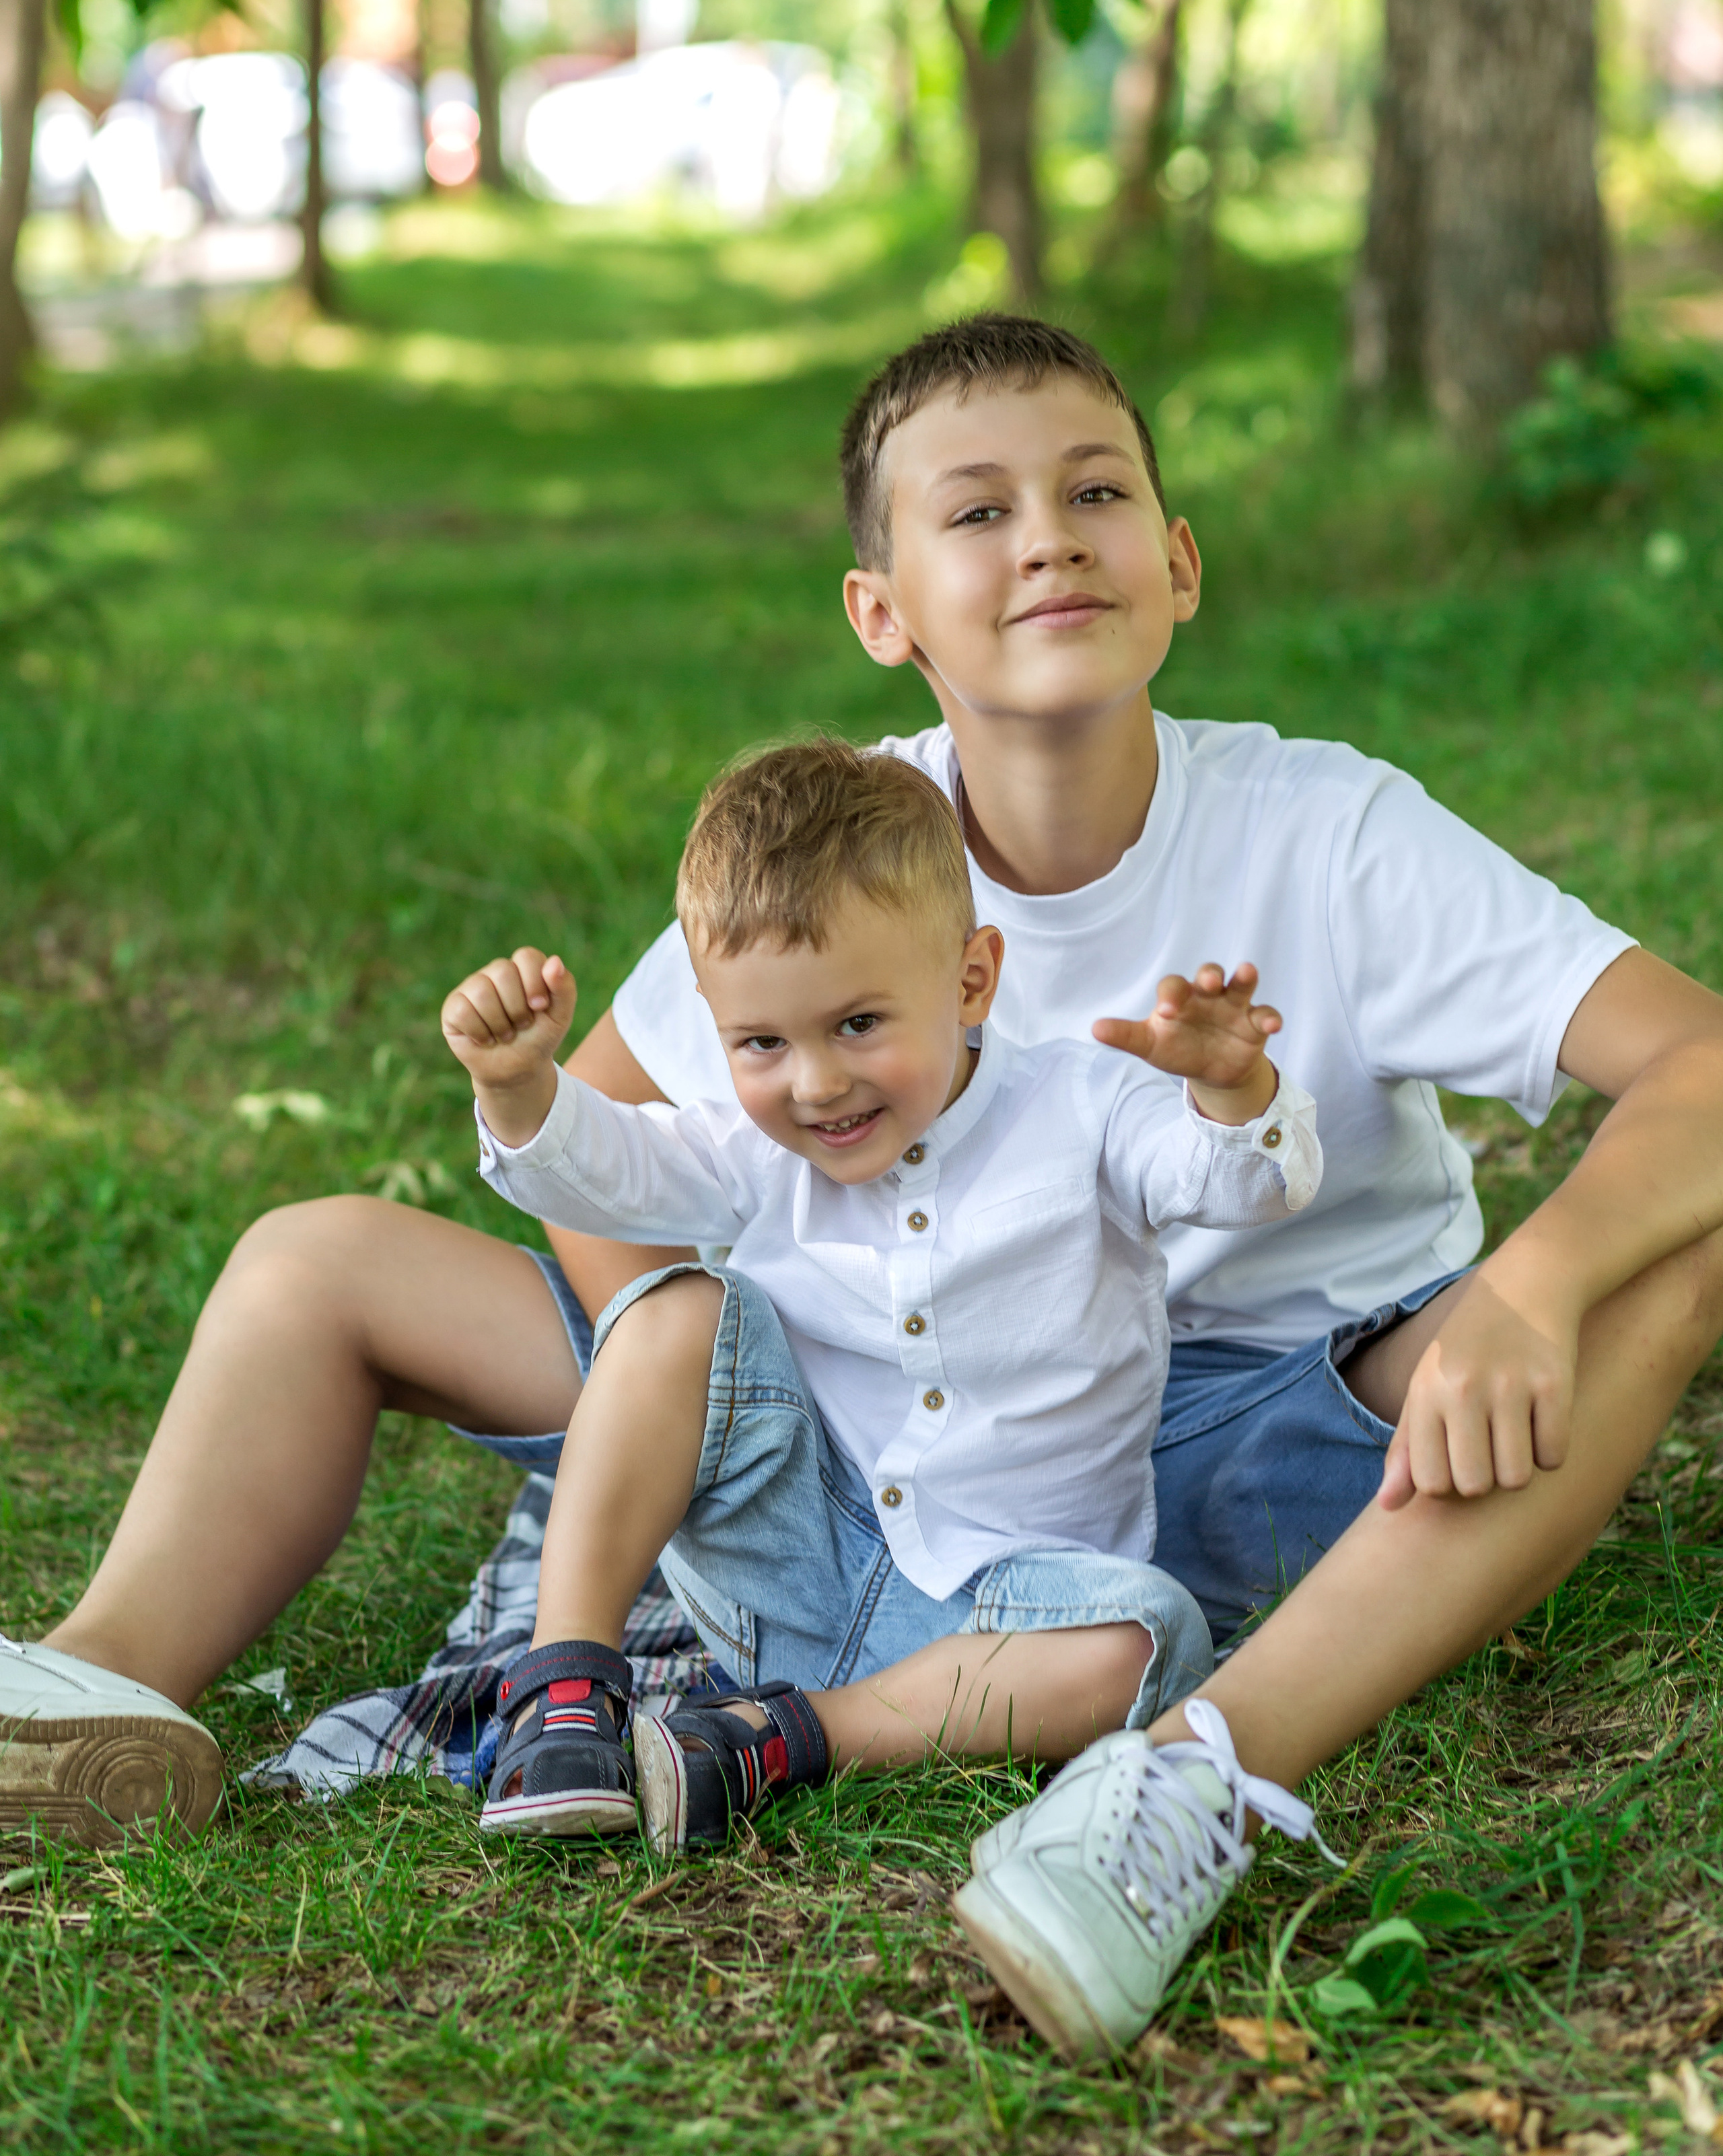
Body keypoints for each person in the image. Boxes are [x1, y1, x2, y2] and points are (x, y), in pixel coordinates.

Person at [4, 312, 1719, 2048]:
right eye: (975, 511)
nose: (1047, 534)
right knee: (315, 1260)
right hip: (848, 1402)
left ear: (1179, 564)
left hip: (1268, 1428)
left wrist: (1533, 1282)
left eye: (1096, 491)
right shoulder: (849, 849)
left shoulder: (1330, 836)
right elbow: (594, 1154)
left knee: (1667, 1262)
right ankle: (97, 1687)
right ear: (881, 610)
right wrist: (727, 1420)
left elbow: (1705, 1067)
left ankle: (1189, 1783)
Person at [437, 738, 1321, 1850]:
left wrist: (1231, 1087)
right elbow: (605, 1172)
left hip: (1012, 1613)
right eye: (760, 1042)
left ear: (971, 979)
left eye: (858, 1024)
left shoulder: (1083, 1108)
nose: (816, 1083)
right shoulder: (758, 1145)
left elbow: (1241, 1180)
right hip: (792, 1558)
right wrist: (520, 1090)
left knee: (1152, 1639)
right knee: (674, 1310)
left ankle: (780, 1738)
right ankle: (561, 1694)